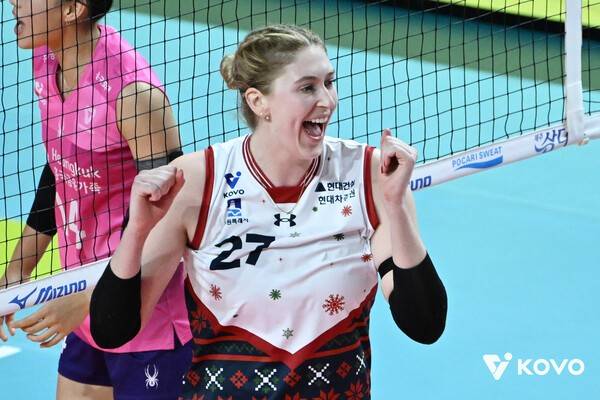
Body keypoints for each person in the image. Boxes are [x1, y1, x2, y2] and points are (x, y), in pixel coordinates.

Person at [89, 24, 447, 399]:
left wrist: (396, 207)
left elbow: (425, 324)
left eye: (329, 82)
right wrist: (137, 232)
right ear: (258, 102)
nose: (327, 100)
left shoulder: (370, 176)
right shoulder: (197, 180)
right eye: (307, 88)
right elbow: (112, 330)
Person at [0, 0, 192, 398]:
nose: (14, 2)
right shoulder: (45, 58)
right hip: (84, 294)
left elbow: (170, 217)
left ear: (72, 9)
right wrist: (17, 270)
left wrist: (93, 299)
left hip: (144, 313)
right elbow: (60, 167)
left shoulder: (134, 96)